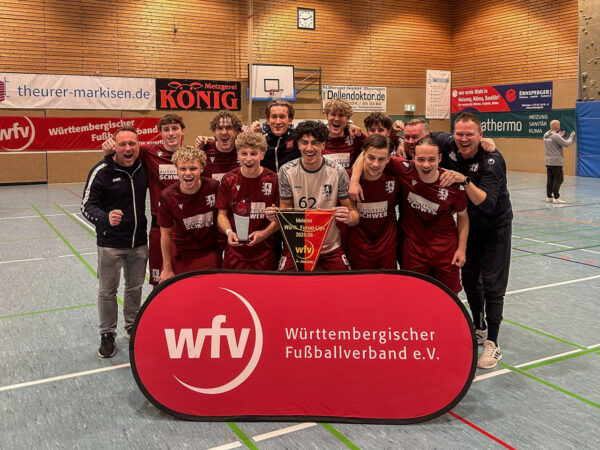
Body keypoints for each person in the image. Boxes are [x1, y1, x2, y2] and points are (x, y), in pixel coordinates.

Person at [433, 112, 513, 369]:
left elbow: (487, 204)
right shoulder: (448, 143)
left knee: (492, 284)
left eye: (470, 134)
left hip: (495, 227)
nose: (463, 139)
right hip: (468, 227)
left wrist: (464, 180)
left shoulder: (492, 160)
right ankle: (479, 327)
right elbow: (424, 135)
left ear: (480, 135)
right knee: (469, 280)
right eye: (459, 133)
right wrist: (399, 135)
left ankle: (493, 342)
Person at [82, 126, 148, 358]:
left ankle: (132, 326)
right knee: (107, 291)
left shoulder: (143, 167)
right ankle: (107, 334)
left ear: (138, 146)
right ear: (114, 147)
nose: (128, 148)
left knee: (135, 287)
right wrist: (105, 218)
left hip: (139, 242)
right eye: (122, 144)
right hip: (110, 244)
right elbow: (86, 206)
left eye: (132, 143)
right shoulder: (101, 171)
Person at [102, 113, 184, 286]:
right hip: (159, 224)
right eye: (166, 129)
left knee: (184, 277)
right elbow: (125, 151)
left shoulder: (190, 155)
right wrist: (108, 150)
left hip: (184, 224)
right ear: (160, 132)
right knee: (160, 279)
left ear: (182, 131)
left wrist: (208, 140)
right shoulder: (148, 151)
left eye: (175, 128)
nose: (171, 133)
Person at [266, 120, 359, 271]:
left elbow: (354, 217)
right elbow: (286, 210)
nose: (309, 148)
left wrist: (348, 218)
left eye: (315, 143)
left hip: (330, 248)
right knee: (283, 283)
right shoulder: (286, 171)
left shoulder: (338, 171)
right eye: (304, 142)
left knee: (343, 283)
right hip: (297, 246)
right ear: (298, 145)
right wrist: (277, 216)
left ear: (323, 145)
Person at [216, 131, 280, 270]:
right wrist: (228, 232)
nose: (248, 159)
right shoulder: (228, 180)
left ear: (262, 155)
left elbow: (280, 218)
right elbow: (221, 214)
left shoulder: (274, 180)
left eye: (254, 153)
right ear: (238, 154)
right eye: (244, 153)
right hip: (234, 253)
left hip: (264, 253)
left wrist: (265, 233)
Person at [157, 146, 221, 282]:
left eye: (193, 168)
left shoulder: (214, 187)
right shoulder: (167, 197)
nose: (187, 173)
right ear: (176, 169)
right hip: (181, 254)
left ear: (202, 168)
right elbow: (165, 234)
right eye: (183, 169)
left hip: (208, 253)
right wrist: (167, 268)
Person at [346, 134, 399, 269]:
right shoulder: (346, 178)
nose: (375, 164)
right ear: (363, 154)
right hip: (358, 247)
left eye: (381, 159)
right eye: (371, 158)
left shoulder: (396, 176)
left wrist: (453, 174)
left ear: (388, 159)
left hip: (387, 248)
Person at [194, 111, 242, 181]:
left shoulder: (243, 151)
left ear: (236, 132)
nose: (224, 132)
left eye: (229, 128)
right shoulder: (204, 150)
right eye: (219, 128)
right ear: (214, 132)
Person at [323, 99, 366, 170]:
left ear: (348, 118)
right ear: (327, 116)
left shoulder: (355, 136)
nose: (336, 119)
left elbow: (373, 145)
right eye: (333, 114)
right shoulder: (318, 137)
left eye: (341, 115)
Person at [261, 99, 301, 173]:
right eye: (274, 117)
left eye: (282, 117)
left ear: (290, 120)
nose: (278, 121)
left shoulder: (299, 139)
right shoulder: (260, 142)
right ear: (268, 120)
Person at [543, 120, 575, 204]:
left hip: (548, 161)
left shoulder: (546, 135)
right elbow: (566, 144)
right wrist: (571, 137)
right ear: (557, 126)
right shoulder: (556, 136)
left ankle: (549, 197)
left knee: (550, 179)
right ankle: (556, 197)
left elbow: (554, 140)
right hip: (556, 161)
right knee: (559, 179)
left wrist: (559, 136)